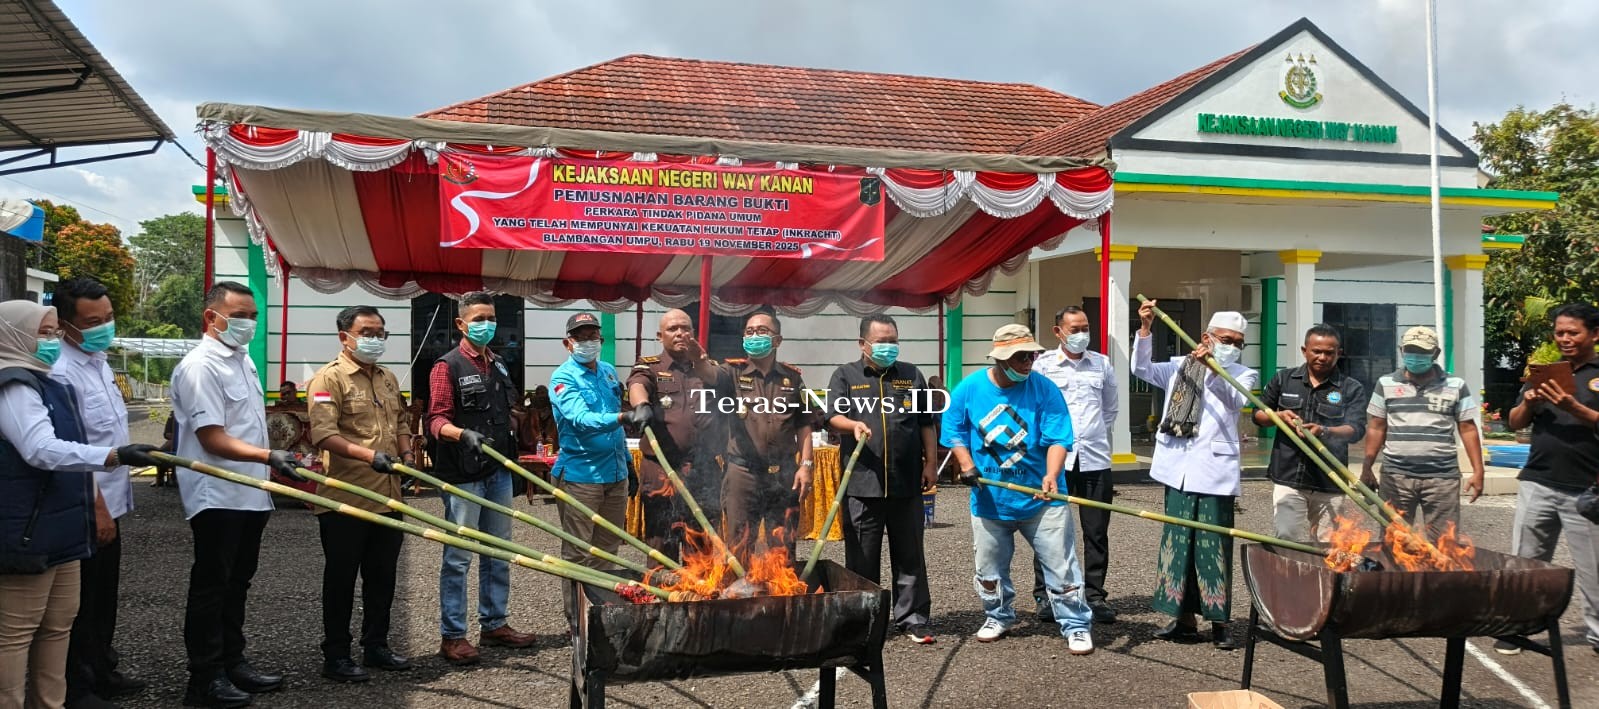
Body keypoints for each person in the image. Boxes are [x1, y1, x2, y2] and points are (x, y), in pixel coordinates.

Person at [0, 300, 156, 709]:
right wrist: (112, 456)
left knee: (58, 625)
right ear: (14, 335)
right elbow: (40, 449)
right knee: (16, 634)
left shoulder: (49, 381)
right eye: (43, 333)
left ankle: (52, 702)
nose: (52, 341)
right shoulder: (14, 384)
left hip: (64, 523)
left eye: (54, 331)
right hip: (28, 530)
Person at [171, 282, 303, 708]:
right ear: (212, 317)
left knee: (237, 584)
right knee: (212, 586)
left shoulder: (241, 360)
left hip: (251, 493)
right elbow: (211, 437)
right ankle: (203, 679)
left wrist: (265, 461)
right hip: (218, 492)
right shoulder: (200, 366)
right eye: (240, 315)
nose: (248, 323)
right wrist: (270, 455)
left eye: (253, 316)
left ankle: (233, 662)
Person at [942, 323, 1091, 653]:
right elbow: (952, 429)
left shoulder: (1044, 390)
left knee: (1061, 566)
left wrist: (1052, 475)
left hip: (1042, 499)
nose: (1028, 362)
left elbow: (1057, 439)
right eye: (1020, 357)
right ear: (1000, 359)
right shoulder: (970, 389)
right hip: (990, 500)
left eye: (1031, 355)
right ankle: (998, 615)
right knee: (989, 568)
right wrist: (965, 463)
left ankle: (1076, 624)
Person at [1135, 302, 1258, 651]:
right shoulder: (1179, 367)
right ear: (1207, 337)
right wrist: (1145, 329)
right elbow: (1140, 368)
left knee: (1213, 546)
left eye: (1238, 342)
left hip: (1214, 473)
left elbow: (1234, 400)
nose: (1232, 346)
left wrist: (1214, 368)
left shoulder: (1244, 375)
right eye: (1225, 339)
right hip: (1177, 470)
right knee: (1177, 546)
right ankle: (1183, 619)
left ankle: (1219, 622)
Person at [424, 291, 535, 665]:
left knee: (499, 551)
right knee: (458, 557)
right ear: (461, 324)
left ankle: (494, 624)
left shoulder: (500, 364)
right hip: (463, 475)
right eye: (478, 319)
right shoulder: (447, 366)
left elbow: (510, 407)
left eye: (490, 318)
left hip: (497, 470)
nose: (486, 324)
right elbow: (435, 420)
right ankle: (453, 635)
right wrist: (461, 433)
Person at [305, 307, 414, 682]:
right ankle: (336, 655)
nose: (375, 339)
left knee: (382, 577)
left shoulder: (387, 377)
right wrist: (370, 456)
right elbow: (323, 434)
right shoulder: (327, 379)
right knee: (341, 580)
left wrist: (408, 455)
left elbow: (401, 421)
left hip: (388, 494)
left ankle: (376, 646)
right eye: (367, 331)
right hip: (346, 499)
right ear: (344, 336)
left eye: (381, 332)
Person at [51, 278, 148, 705]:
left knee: (105, 593)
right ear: (66, 325)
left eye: (108, 319)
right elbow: (69, 449)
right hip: (86, 504)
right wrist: (98, 508)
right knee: (78, 602)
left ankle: (102, 668)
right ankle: (78, 686)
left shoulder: (99, 361)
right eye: (93, 322)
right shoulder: (60, 371)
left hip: (113, 499)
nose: (104, 327)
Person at [826, 314, 938, 644]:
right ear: (863, 344)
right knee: (861, 558)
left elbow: (926, 423)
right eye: (881, 341)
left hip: (906, 482)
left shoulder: (911, 374)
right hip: (862, 483)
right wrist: (852, 426)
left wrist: (930, 463)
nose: (888, 346)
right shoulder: (845, 375)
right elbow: (831, 415)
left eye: (893, 340)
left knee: (911, 554)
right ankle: (864, 622)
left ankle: (913, 619)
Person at [1496, 304, 1599, 656]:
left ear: (1594, 334)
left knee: (1594, 570)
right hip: (1537, 481)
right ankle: (1515, 629)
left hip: (1587, 487)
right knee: (1526, 563)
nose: (1565, 339)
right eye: (1560, 332)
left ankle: (1598, 635)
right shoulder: (1544, 372)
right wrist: (1528, 401)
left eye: (1573, 332)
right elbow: (1513, 422)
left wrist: (1575, 409)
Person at [550, 312, 644, 621]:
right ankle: (576, 619)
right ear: (568, 343)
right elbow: (581, 419)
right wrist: (622, 418)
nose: (589, 342)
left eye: (594, 337)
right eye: (582, 337)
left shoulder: (606, 372)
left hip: (615, 475)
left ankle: (599, 613)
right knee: (578, 553)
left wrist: (628, 465)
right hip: (581, 476)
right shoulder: (562, 378)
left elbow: (616, 429)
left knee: (607, 548)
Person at [694, 312, 813, 552]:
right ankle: (739, 590)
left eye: (761, 331)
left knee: (782, 550)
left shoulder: (793, 378)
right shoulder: (731, 373)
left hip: (784, 475)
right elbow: (709, 374)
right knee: (739, 548)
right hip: (743, 474)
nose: (754, 336)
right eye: (749, 332)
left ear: (777, 340)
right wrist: (698, 360)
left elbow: (803, 424)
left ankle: (780, 591)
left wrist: (806, 465)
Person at [1031, 305, 1120, 625]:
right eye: (1075, 329)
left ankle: (1094, 595)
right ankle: (1046, 595)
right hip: (1055, 462)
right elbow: (1035, 411)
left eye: (1085, 328)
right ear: (1058, 332)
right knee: (1050, 529)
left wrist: (1089, 435)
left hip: (1095, 459)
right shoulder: (1043, 367)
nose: (1082, 334)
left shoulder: (1102, 364)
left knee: (1096, 532)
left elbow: (1110, 409)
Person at [1362, 326, 1484, 541]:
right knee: (1394, 541)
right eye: (1410, 351)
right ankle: (1395, 576)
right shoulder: (1386, 384)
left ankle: (1437, 576)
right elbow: (1376, 426)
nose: (1415, 357)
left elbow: (1467, 428)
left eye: (1422, 352)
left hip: (1442, 478)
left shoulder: (1455, 385)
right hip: (1396, 476)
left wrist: (1478, 470)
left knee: (1444, 542)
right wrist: (1367, 467)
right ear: (1401, 351)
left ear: (1435, 354)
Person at [1253, 324, 1367, 544]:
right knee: (1286, 537)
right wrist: (1276, 416)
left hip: (1329, 481)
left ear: (1338, 354)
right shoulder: (1283, 379)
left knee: (1328, 544)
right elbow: (1258, 414)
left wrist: (1325, 431)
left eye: (1329, 353)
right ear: (1304, 350)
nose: (1323, 357)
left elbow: (1356, 429)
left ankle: (1324, 579)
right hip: (1289, 478)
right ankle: (1290, 578)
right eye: (1317, 351)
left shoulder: (1351, 388)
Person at [627, 309, 721, 561]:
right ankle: (664, 596)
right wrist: (642, 406)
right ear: (660, 336)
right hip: (661, 469)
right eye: (672, 329)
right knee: (661, 540)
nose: (680, 333)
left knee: (701, 541)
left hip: (702, 469)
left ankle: (700, 595)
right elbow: (637, 385)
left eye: (685, 328)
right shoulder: (649, 366)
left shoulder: (708, 369)